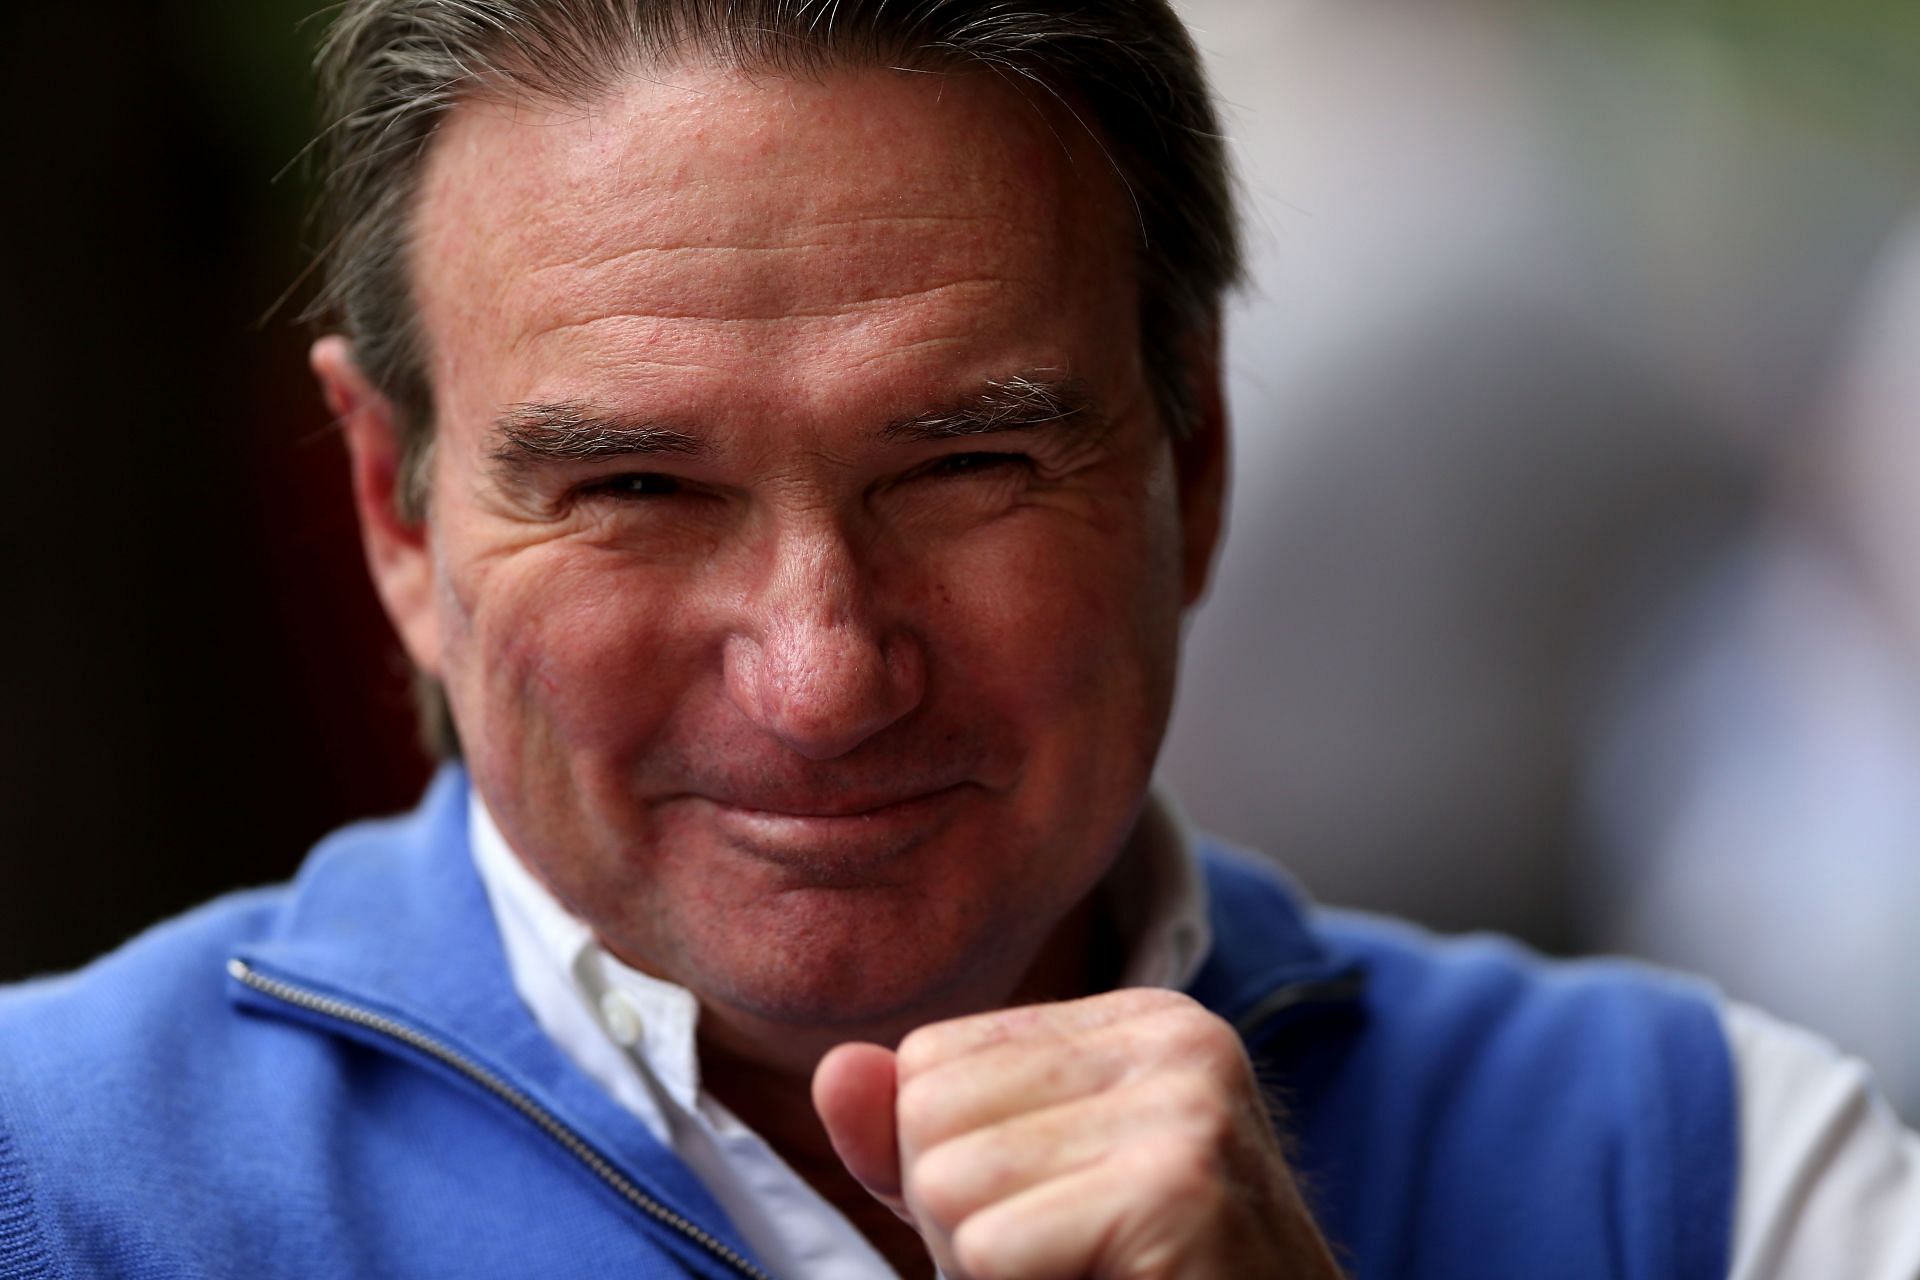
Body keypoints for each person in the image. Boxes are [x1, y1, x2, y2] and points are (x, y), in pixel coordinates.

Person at [0, 2, 1914, 1277]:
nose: (821, 672)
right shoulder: (49, 1184)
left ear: (1198, 453)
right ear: (397, 514)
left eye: (968, 463)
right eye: (637, 492)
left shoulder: (1714, 1169)